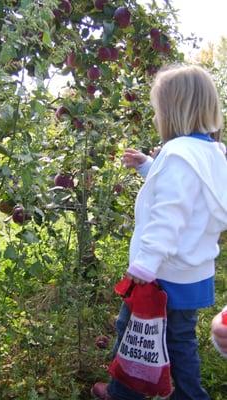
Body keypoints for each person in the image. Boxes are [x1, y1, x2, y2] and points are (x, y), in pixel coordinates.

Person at [91, 64, 227, 400]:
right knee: (179, 339)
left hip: (161, 273)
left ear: (172, 111)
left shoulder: (178, 155)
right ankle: (190, 395)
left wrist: (143, 265)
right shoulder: (212, 152)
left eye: (157, 111)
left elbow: (169, 214)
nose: (155, 118)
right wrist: (148, 166)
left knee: (134, 330)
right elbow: (191, 194)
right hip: (192, 271)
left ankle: (123, 393)